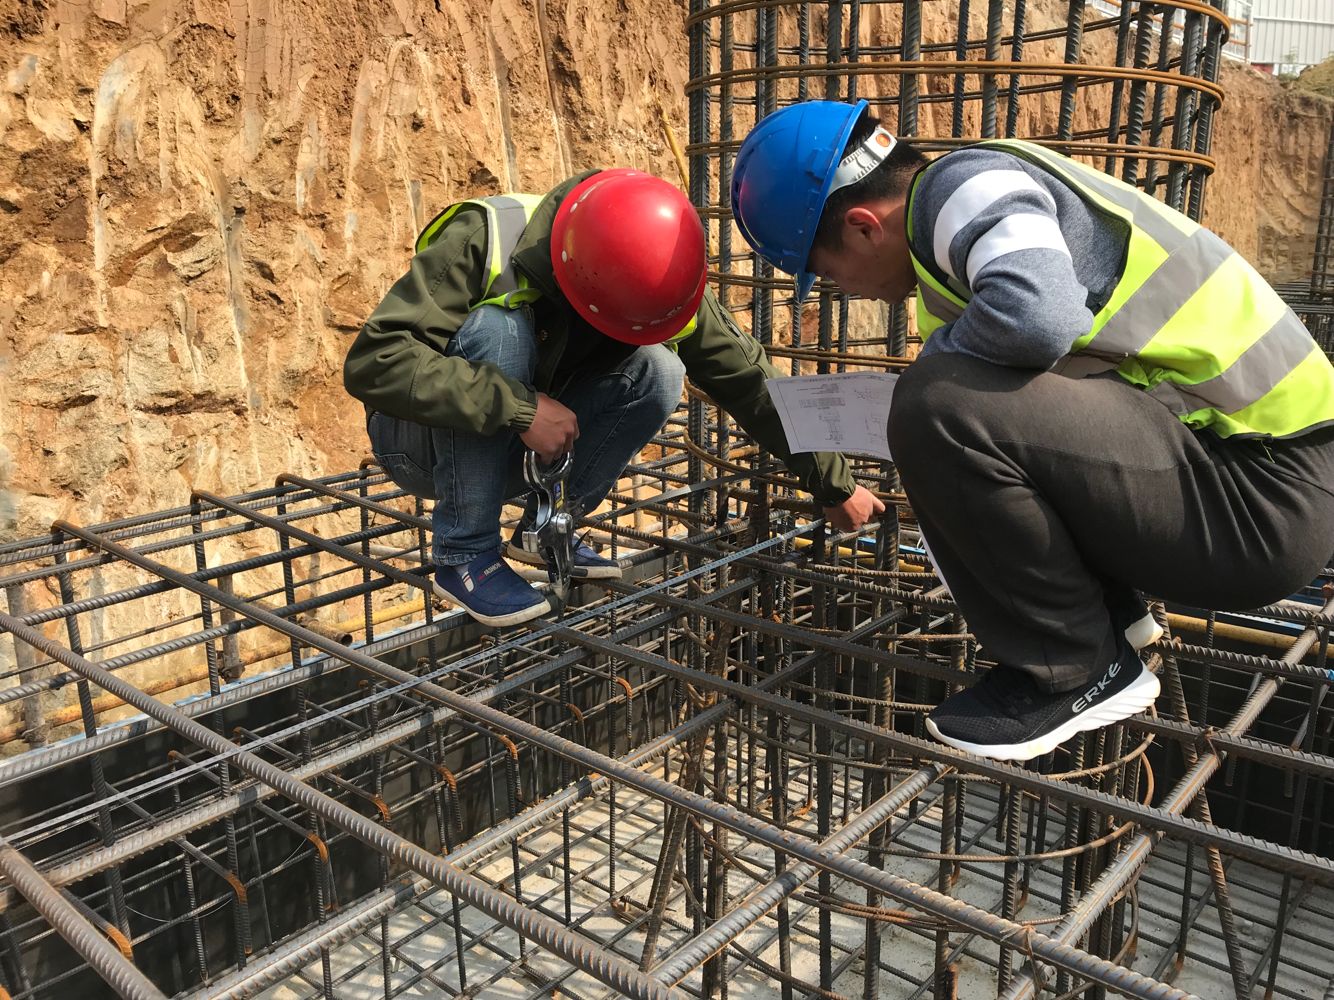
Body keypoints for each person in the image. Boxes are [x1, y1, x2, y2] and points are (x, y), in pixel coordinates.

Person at [730, 99, 1334, 762]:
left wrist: (931, 386)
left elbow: (1037, 320)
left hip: (1263, 494)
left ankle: (1075, 669)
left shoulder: (965, 188)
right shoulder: (953, 246)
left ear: (863, 227)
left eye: (827, 273)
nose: (842, 290)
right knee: (941, 400)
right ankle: (1112, 617)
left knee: (937, 401)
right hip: (1235, 479)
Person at [344, 168, 883, 628]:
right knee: (498, 330)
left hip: (518, 447)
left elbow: (751, 383)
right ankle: (465, 554)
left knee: (659, 368)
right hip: (422, 448)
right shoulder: (487, 238)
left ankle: (547, 526)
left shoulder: (663, 275)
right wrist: (520, 408)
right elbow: (376, 361)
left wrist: (833, 484)